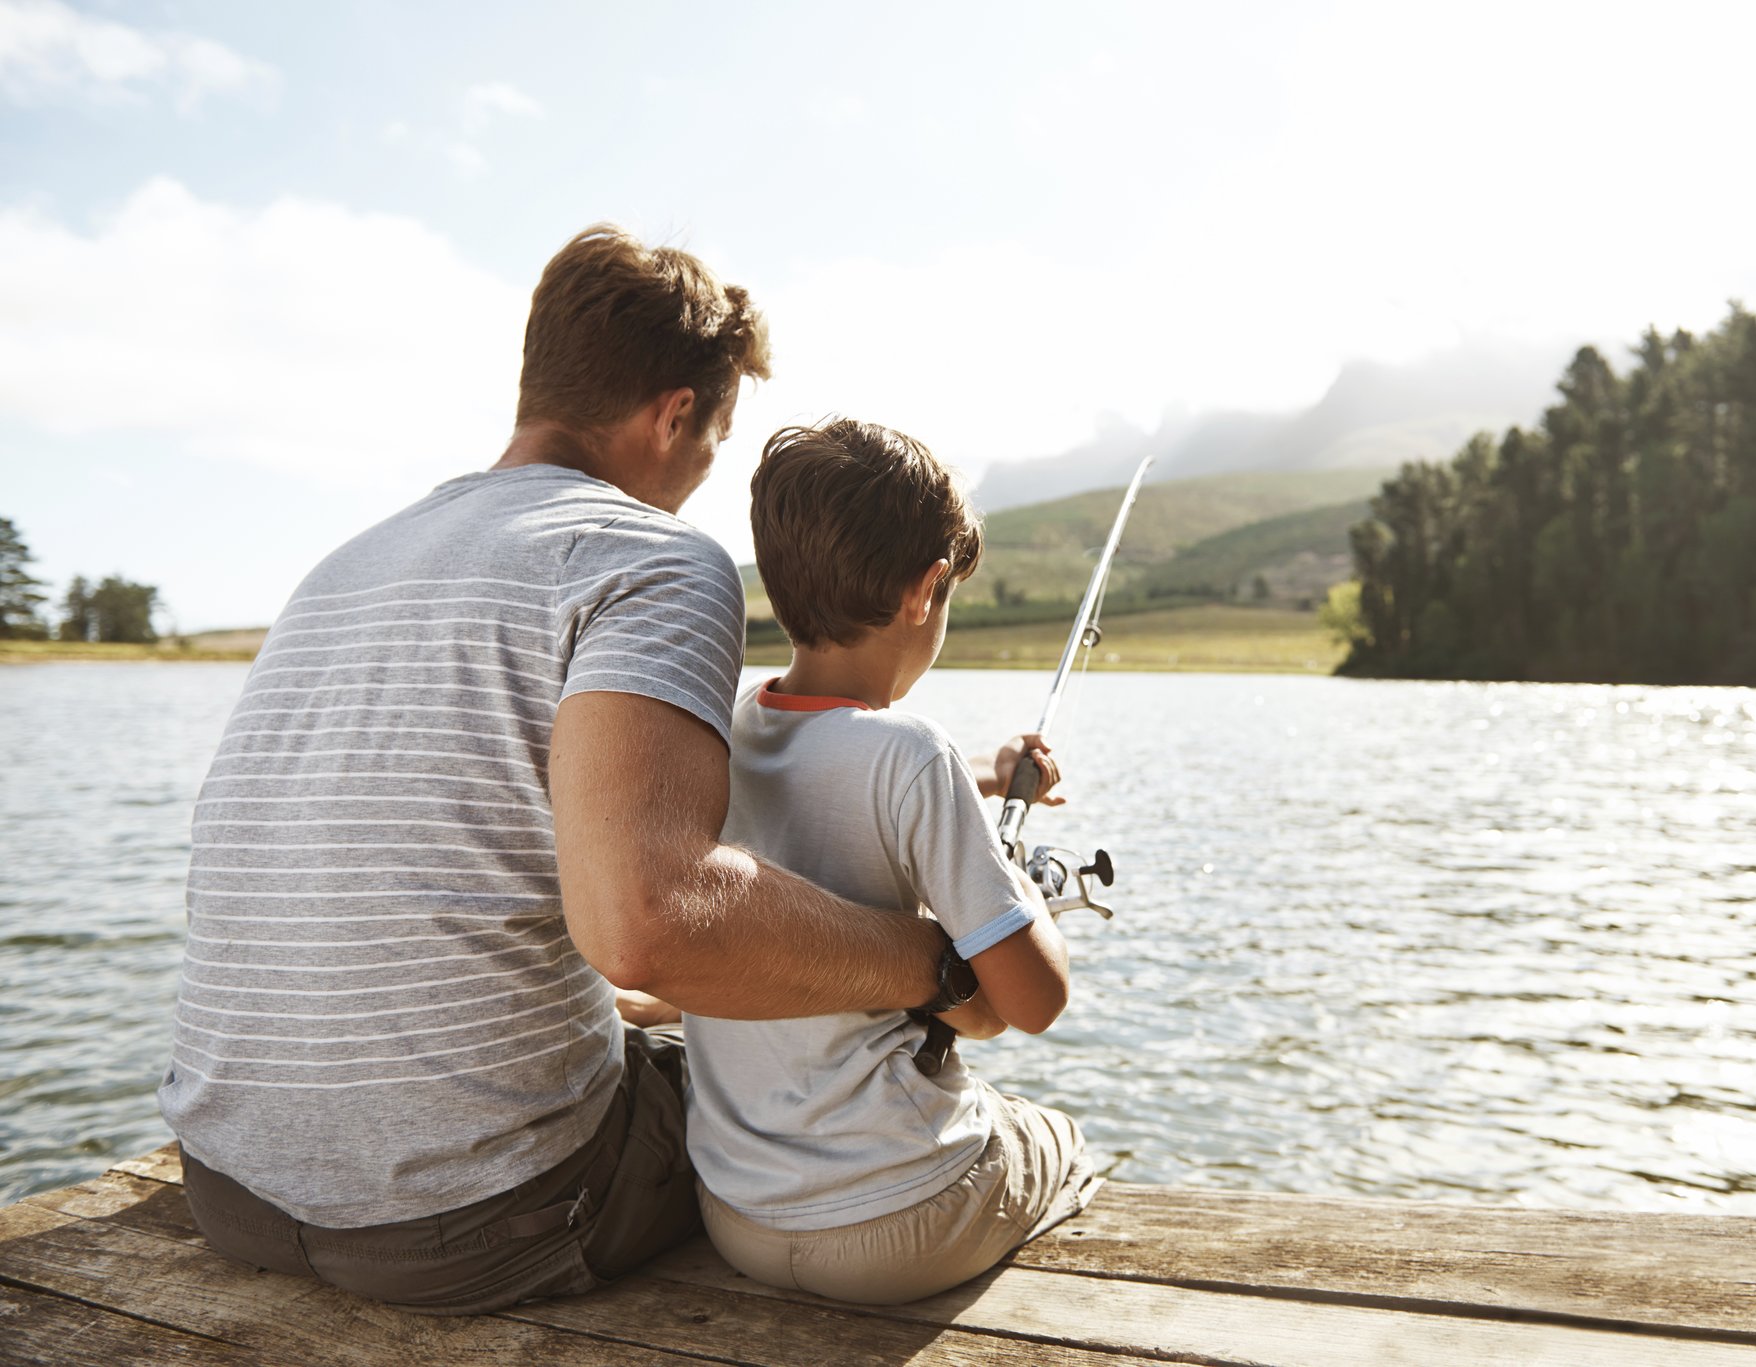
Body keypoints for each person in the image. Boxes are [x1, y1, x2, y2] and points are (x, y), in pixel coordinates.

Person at [159, 226, 962, 1314]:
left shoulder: (341, 567)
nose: (692, 482)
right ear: (674, 413)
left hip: (231, 1186)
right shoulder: (649, 556)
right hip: (477, 1216)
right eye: (712, 444)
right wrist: (926, 962)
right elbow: (651, 919)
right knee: (804, 1093)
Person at [673, 417, 1098, 1305]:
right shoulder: (915, 756)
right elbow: (1034, 1000)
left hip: (739, 1217)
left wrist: (987, 778)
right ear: (927, 589)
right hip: (896, 1228)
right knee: (1058, 1137)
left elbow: (833, 763)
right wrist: (1018, 882)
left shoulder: (728, 724)